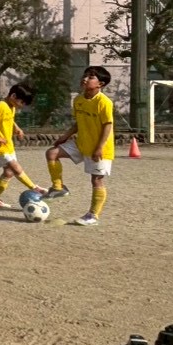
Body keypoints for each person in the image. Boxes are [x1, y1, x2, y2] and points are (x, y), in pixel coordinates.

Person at [44, 65, 115, 227]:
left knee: (96, 180)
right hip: (81, 143)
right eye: (85, 75)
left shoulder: (104, 102)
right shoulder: (78, 100)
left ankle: (93, 215)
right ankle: (58, 188)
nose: (85, 79)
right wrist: (65, 136)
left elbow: (107, 126)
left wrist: (99, 148)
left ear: (100, 84)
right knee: (52, 153)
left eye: (91, 77)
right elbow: (78, 122)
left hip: (99, 147)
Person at [0, 83, 40, 208]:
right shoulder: (1, 106)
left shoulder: (11, 106)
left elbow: (10, 119)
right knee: (16, 168)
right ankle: (35, 188)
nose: (22, 106)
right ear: (13, 96)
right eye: (21, 102)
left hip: (8, 145)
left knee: (9, 173)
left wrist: (17, 128)